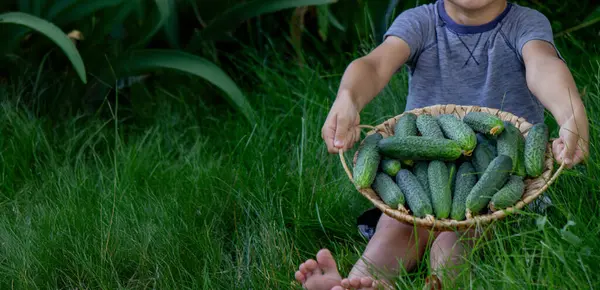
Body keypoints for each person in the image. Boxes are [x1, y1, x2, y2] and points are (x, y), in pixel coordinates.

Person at [294, 0, 590, 289]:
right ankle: (363, 279)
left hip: (502, 180)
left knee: (460, 233)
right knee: (397, 224)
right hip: (424, 169)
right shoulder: (420, 22)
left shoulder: (525, 23)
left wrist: (569, 112)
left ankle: (439, 282)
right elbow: (373, 65)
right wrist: (348, 98)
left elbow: (544, 66)